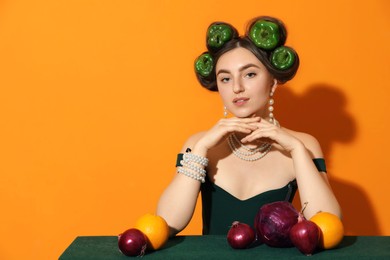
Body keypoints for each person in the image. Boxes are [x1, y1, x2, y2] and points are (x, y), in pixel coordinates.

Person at [157, 16, 341, 236]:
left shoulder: (304, 144)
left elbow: (327, 226)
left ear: (272, 82)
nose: (237, 87)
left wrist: (296, 150)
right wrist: (201, 149)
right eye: (225, 78)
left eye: (250, 74)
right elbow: (166, 224)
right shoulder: (197, 144)